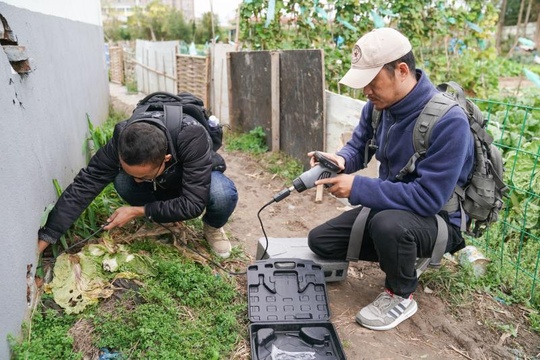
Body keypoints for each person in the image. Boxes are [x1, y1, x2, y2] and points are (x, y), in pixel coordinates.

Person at [307, 27, 474, 330]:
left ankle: (400, 294)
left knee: (388, 225)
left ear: (401, 70)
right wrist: (340, 160)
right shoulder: (378, 107)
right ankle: (401, 250)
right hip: (394, 208)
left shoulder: (449, 121)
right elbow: (359, 146)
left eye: (371, 82)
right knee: (320, 242)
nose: (365, 91)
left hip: (437, 220)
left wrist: (357, 187)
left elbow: (427, 198)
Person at [38, 112, 238, 258]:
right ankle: (165, 215)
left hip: (191, 182)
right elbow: (85, 184)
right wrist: (49, 235)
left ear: (166, 159)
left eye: (142, 176)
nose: (136, 181)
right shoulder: (123, 138)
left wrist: (138, 210)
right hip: (160, 183)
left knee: (222, 193)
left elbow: (194, 204)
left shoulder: (192, 137)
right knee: (122, 182)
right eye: (131, 172)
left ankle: (213, 227)